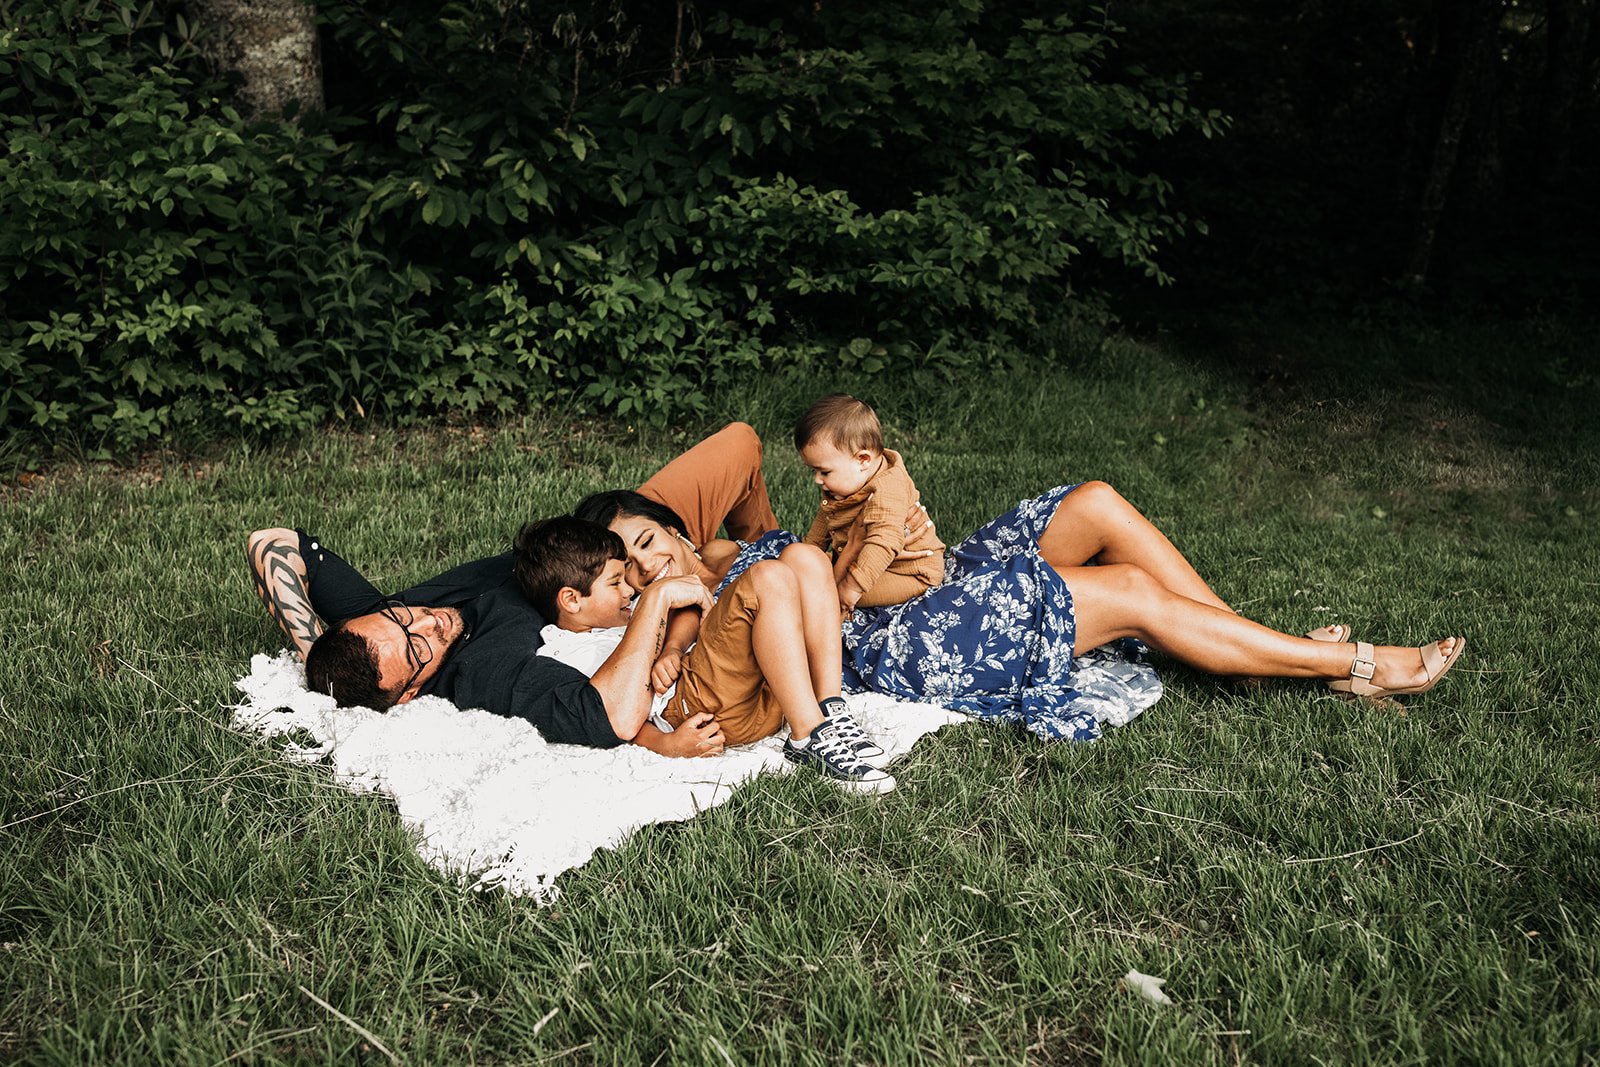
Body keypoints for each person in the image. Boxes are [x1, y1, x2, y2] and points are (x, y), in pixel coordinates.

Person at [578, 473, 1467, 743]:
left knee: (1092, 502)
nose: (655, 559)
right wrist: (662, 601)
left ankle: (1241, 635)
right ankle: (1354, 666)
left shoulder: (737, 542)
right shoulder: (696, 602)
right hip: (899, 640)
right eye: (634, 563)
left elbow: (734, 448)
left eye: (654, 538)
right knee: (1124, 594)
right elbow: (685, 657)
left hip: (923, 584)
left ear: (672, 523)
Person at [245, 423, 778, 753]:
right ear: (410, 692)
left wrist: (316, 651)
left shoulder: (375, 623)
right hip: (615, 583)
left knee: (740, 444)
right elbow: (611, 716)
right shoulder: (485, 673)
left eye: (404, 618)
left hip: (596, 532)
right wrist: (657, 592)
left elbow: (272, 543)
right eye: (417, 645)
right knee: (748, 579)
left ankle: (759, 544)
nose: (429, 619)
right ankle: (766, 579)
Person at [513, 516, 895, 792]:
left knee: (805, 557)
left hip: (753, 691)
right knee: (768, 578)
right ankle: (808, 737)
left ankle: (828, 707)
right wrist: (665, 745)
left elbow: (685, 615)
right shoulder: (567, 648)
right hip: (698, 706)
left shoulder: (626, 612)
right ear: (570, 600)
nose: (628, 590)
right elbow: (605, 712)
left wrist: (674, 649)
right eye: (615, 582)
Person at [793, 393, 945, 613]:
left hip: (908, 572)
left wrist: (850, 588)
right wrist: (806, 554)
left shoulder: (887, 488)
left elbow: (883, 544)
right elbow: (826, 518)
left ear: (862, 459)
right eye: (814, 470)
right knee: (811, 577)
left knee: (824, 599)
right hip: (864, 558)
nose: (817, 479)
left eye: (824, 471)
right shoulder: (848, 482)